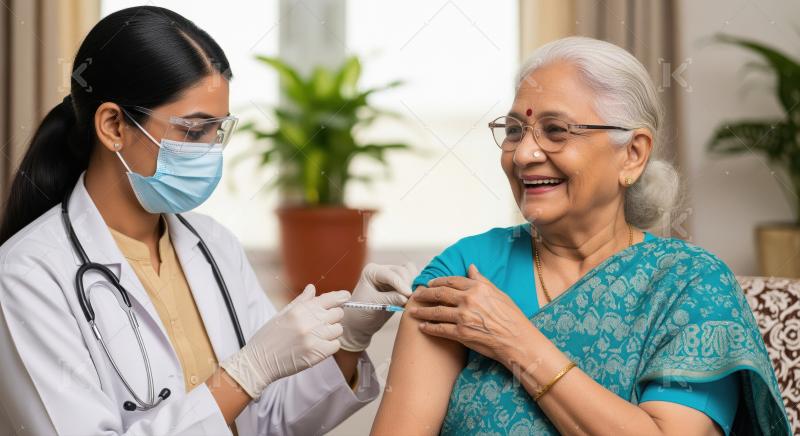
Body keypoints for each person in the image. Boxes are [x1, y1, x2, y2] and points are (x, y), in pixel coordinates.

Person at [0, 6, 414, 435]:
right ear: (113, 125)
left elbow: (271, 420)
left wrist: (349, 339)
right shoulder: (28, 274)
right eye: (193, 131)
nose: (208, 152)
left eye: (217, 132)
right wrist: (243, 375)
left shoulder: (214, 246)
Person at [371, 37, 791, 435]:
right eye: (515, 130)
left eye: (555, 130)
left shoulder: (690, 285)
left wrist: (517, 342)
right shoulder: (466, 270)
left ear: (633, 154)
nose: (523, 154)